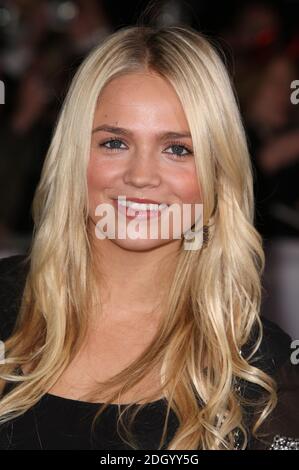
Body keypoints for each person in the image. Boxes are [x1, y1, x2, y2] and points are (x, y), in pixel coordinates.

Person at [0, 25, 298, 451]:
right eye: (115, 142)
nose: (141, 176)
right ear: (75, 157)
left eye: (177, 149)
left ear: (216, 172)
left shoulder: (261, 364)